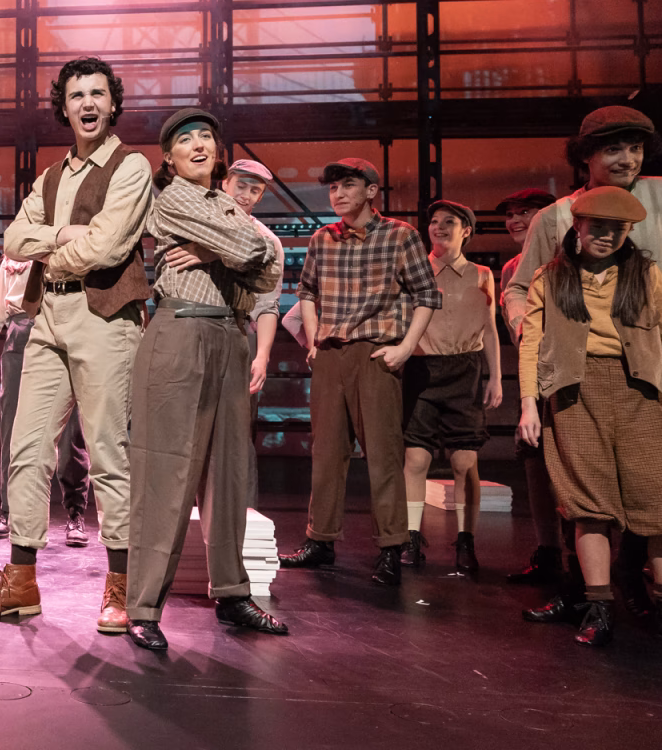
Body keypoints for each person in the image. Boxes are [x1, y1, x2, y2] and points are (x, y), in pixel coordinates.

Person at [0, 56, 152, 633]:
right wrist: (65, 234)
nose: (87, 103)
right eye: (76, 95)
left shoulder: (131, 166)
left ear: (112, 103)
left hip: (104, 317)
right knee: (27, 449)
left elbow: (108, 248)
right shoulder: (50, 176)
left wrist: (52, 248)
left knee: (109, 452)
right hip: (46, 315)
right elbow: (15, 239)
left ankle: (122, 585)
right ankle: (20, 583)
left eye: (97, 93)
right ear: (63, 107)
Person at [502, 106, 662, 617]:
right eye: (613, 149)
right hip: (576, 371)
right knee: (580, 483)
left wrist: (651, 322)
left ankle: (634, 581)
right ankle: (584, 591)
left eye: (635, 148)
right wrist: (537, 334)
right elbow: (521, 287)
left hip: (649, 367)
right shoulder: (556, 216)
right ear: (586, 157)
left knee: (652, 479)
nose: (627, 159)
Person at [124, 109, 287, 651]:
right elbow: (251, 250)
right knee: (166, 473)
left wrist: (214, 248)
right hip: (182, 332)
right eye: (185, 140)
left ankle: (233, 593)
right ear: (169, 158)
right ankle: (143, 606)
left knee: (229, 472)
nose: (198, 145)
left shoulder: (224, 204)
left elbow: (269, 264)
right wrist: (234, 248)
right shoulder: (174, 197)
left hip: (231, 336)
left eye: (206, 137)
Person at [277, 158, 441, 586]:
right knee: (326, 453)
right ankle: (320, 539)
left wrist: (405, 348)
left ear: (371, 191)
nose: (338, 194)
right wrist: (313, 341)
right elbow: (306, 291)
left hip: (374, 354)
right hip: (331, 354)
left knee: (383, 455)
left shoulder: (400, 235)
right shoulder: (322, 238)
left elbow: (427, 294)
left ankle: (391, 547)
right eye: (333, 188)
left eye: (348, 185)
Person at [398, 200, 503, 576]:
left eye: (449, 222)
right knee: (416, 460)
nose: (439, 227)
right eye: (434, 221)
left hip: (465, 371)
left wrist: (495, 377)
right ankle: (410, 538)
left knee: (464, 461)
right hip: (422, 369)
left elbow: (490, 328)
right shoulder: (414, 271)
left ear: (466, 231)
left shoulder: (482, 274)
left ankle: (465, 541)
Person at [0, 257, 92, 547]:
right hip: (20, 333)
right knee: (13, 429)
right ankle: (9, 510)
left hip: (62, 329)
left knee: (69, 431)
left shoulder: (65, 249)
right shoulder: (15, 256)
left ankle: (75, 513)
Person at [493, 188, 562, 585]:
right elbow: (516, 333)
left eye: (526, 213)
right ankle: (548, 551)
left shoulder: (568, 259)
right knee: (535, 462)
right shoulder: (512, 270)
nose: (516, 221)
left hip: (570, 370)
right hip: (534, 372)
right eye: (511, 214)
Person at [222, 159, 287, 395]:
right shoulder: (199, 225)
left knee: (238, 410)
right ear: (225, 183)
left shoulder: (267, 241)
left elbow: (268, 304)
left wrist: (262, 356)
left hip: (239, 333)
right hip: (195, 329)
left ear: (260, 197)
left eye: (254, 190)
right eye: (241, 186)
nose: (245, 195)